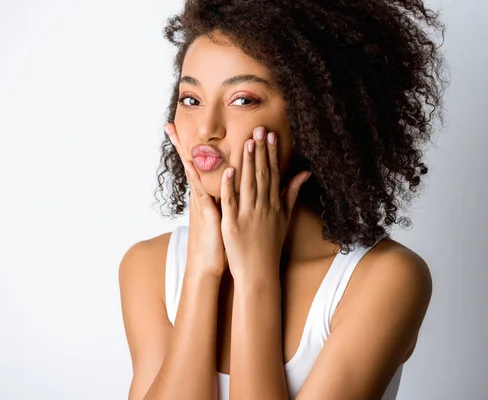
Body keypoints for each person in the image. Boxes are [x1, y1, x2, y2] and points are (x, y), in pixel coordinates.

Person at [119, 0, 448, 399]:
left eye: (242, 99)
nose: (206, 128)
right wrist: (202, 273)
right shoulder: (148, 266)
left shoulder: (384, 279)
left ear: (315, 115)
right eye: (191, 99)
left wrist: (255, 276)